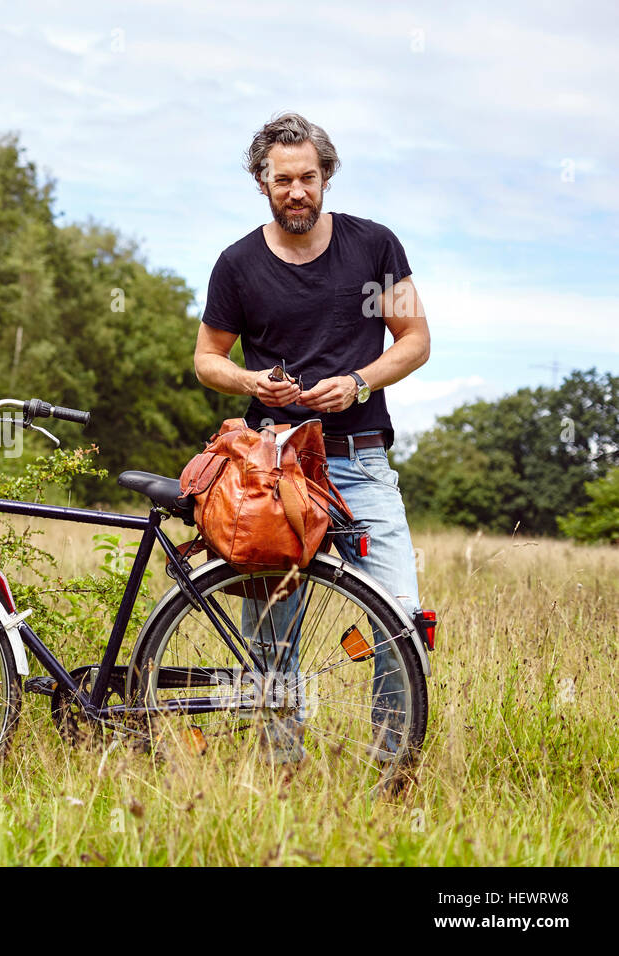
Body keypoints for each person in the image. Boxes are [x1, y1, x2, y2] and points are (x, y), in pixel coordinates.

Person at [193, 112, 431, 763]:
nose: (296, 191)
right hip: (273, 473)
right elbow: (205, 359)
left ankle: (393, 766)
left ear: (325, 176)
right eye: (282, 180)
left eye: (307, 178)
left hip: (360, 462)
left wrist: (358, 381)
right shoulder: (237, 264)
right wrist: (249, 379)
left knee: (402, 623)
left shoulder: (374, 246)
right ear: (262, 182)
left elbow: (415, 341)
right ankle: (283, 772)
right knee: (272, 633)